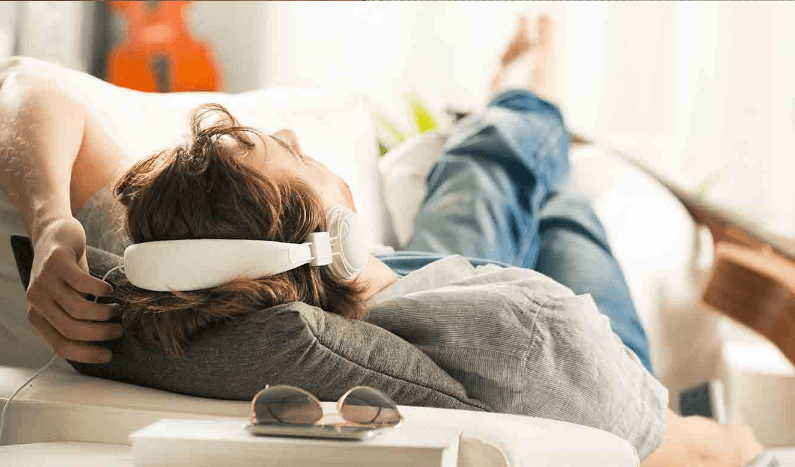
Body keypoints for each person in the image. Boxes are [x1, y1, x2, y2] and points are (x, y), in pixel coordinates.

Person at [0, 15, 766, 467]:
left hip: (408, 282)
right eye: (293, 154)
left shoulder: (182, 278)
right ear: (333, 235)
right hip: (528, 333)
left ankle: (527, 113)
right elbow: (691, 446)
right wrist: (741, 438)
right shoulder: (531, 340)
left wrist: (52, 222)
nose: (299, 136)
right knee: (513, 180)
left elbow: (25, 87)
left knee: (502, 181)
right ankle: (530, 98)